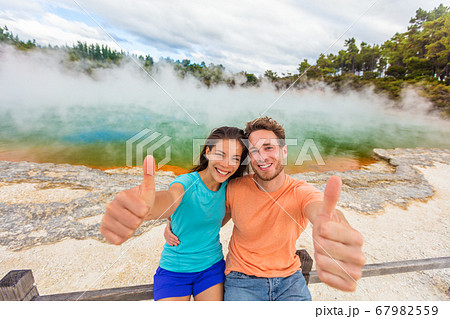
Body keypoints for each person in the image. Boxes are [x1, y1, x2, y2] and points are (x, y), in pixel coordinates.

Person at [165, 116, 365, 301]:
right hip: (242, 279)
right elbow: (206, 212)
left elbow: (320, 210)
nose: (261, 158)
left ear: (284, 151)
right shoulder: (235, 187)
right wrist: (172, 222)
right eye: (253, 151)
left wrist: (331, 225)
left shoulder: (302, 192)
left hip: (290, 280)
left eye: (268, 148)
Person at [100, 126, 248, 301]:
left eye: (235, 158)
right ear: (207, 152)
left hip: (211, 267)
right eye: (220, 155)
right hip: (175, 269)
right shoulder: (185, 183)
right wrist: (148, 207)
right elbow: (170, 198)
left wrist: (174, 224)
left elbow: (215, 221)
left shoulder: (231, 189)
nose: (226, 164)